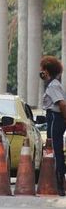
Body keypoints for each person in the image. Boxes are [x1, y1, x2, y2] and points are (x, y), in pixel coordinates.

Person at [40, 55, 66, 196]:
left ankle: (59, 183)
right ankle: (57, 183)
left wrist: (64, 119)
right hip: (53, 117)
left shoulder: (53, 85)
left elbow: (61, 103)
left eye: (42, 69)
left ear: (47, 71)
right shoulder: (53, 84)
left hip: (55, 118)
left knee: (55, 150)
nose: (41, 72)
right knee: (54, 148)